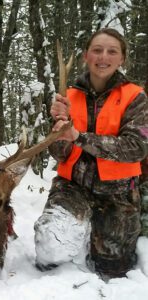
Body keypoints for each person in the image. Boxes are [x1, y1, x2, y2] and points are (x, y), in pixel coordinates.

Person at [34, 28, 148, 279]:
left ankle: (89, 234)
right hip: (72, 187)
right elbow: (59, 154)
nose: (103, 57)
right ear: (86, 55)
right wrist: (58, 127)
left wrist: (80, 137)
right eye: (97, 50)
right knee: (51, 250)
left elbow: (136, 147)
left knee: (114, 268)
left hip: (118, 193)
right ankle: (75, 232)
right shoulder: (69, 96)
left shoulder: (135, 97)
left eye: (112, 51)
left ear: (122, 59)